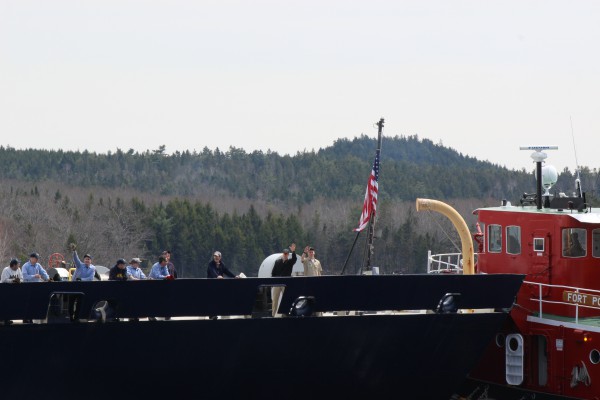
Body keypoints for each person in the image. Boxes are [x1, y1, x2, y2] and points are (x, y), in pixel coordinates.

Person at [270, 243, 297, 317]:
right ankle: (273, 315)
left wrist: (293, 251)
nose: (285, 255)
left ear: (288, 255)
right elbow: (273, 272)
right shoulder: (277, 262)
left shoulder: (290, 262)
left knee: (286, 299)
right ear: (283, 254)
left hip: (286, 283)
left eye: (287, 254)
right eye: (284, 253)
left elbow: (294, 259)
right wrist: (274, 282)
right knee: (275, 299)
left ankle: (285, 313)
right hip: (277, 282)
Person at [1, 258, 22, 325]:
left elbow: (22, 278)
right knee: (5, 305)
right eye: (17, 264)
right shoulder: (6, 270)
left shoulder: (18, 269)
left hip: (15, 290)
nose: (18, 266)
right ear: (13, 265)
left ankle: (9, 318)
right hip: (5, 290)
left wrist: (19, 281)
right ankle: (4, 319)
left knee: (12, 305)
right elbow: (4, 280)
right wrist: (13, 280)